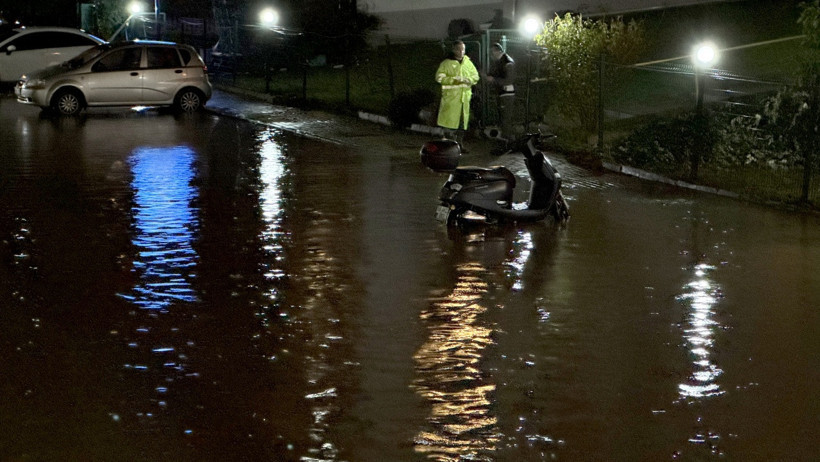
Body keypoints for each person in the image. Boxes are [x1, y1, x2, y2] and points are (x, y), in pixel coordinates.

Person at [435, 40, 480, 150]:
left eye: (463, 49)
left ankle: (459, 145)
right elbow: (439, 78)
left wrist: (468, 80)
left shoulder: (468, 62)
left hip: (464, 100)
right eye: (459, 49)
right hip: (451, 100)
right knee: (449, 125)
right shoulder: (446, 63)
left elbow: (476, 76)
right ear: (454, 50)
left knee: (462, 124)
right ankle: (449, 146)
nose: (461, 52)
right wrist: (454, 80)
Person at [486, 42, 516, 149]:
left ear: (496, 51)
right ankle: (507, 140)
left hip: (506, 93)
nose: (491, 55)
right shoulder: (503, 62)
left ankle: (508, 141)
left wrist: (494, 79)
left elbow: (509, 80)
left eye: (492, 52)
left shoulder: (507, 63)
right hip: (504, 93)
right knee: (504, 118)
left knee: (505, 119)